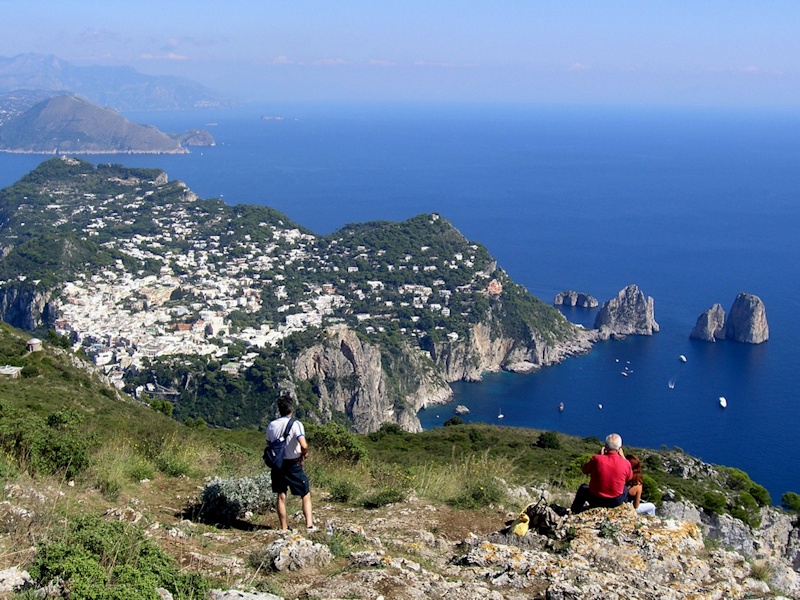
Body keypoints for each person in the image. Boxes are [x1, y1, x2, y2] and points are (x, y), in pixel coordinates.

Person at [266, 394, 317, 532]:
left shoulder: (271, 425)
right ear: (292, 409)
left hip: (277, 465)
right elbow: (304, 445)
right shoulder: (296, 424)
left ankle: (283, 527)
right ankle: (309, 525)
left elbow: (269, 445)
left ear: (279, 409)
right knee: (305, 493)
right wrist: (304, 453)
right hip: (293, 464)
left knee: (281, 495)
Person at [570, 433, 633, 514]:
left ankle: (574, 511)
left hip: (595, 499)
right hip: (615, 501)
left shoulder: (597, 459)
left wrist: (599, 455)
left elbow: (585, 470)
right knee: (625, 490)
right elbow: (629, 477)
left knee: (583, 488)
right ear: (619, 448)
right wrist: (623, 457)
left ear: (605, 446)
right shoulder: (625, 463)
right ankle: (624, 512)